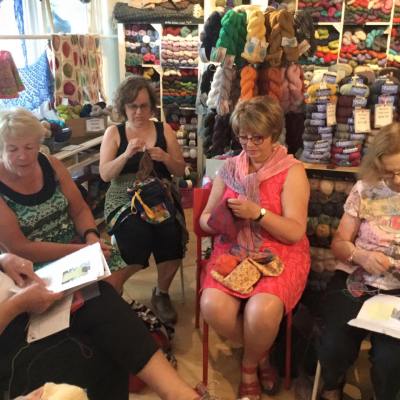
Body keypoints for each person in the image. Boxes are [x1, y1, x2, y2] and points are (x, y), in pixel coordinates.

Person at [199, 96, 310, 400]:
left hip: (279, 251)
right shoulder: (228, 169)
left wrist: (258, 214)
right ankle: (261, 353)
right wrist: (221, 219)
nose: (249, 144)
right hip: (233, 249)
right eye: (243, 136)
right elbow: (204, 220)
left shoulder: (292, 171)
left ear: (274, 133)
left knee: (262, 310)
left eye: (257, 137)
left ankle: (249, 366)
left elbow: (294, 231)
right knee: (212, 306)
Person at [0, 252, 214, 400]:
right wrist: (17, 305)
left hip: (19, 306)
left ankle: (179, 393)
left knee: (99, 294)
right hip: (10, 335)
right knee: (99, 351)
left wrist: (4, 260)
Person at [0, 108, 127, 291]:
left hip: (76, 245)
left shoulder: (50, 164)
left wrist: (91, 237)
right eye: (12, 149)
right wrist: (82, 251)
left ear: (38, 144)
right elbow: (20, 248)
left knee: (113, 272)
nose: (23, 155)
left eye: (29, 147)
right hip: (34, 264)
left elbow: (79, 210)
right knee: (91, 295)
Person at [318, 122, 400, 400]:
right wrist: (361, 255)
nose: (396, 180)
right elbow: (339, 244)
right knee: (333, 343)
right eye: (388, 172)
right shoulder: (365, 189)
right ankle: (332, 386)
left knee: (392, 360)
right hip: (357, 281)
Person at [99, 76, 186, 324]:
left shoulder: (164, 130)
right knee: (135, 231)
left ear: (151, 106)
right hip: (123, 195)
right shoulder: (114, 133)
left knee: (171, 230)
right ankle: (114, 287)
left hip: (159, 192)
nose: (138, 112)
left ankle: (162, 293)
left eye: (144, 106)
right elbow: (105, 174)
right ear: (123, 107)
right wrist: (126, 155)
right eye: (132, 106)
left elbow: (180, 170)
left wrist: (165, 158)